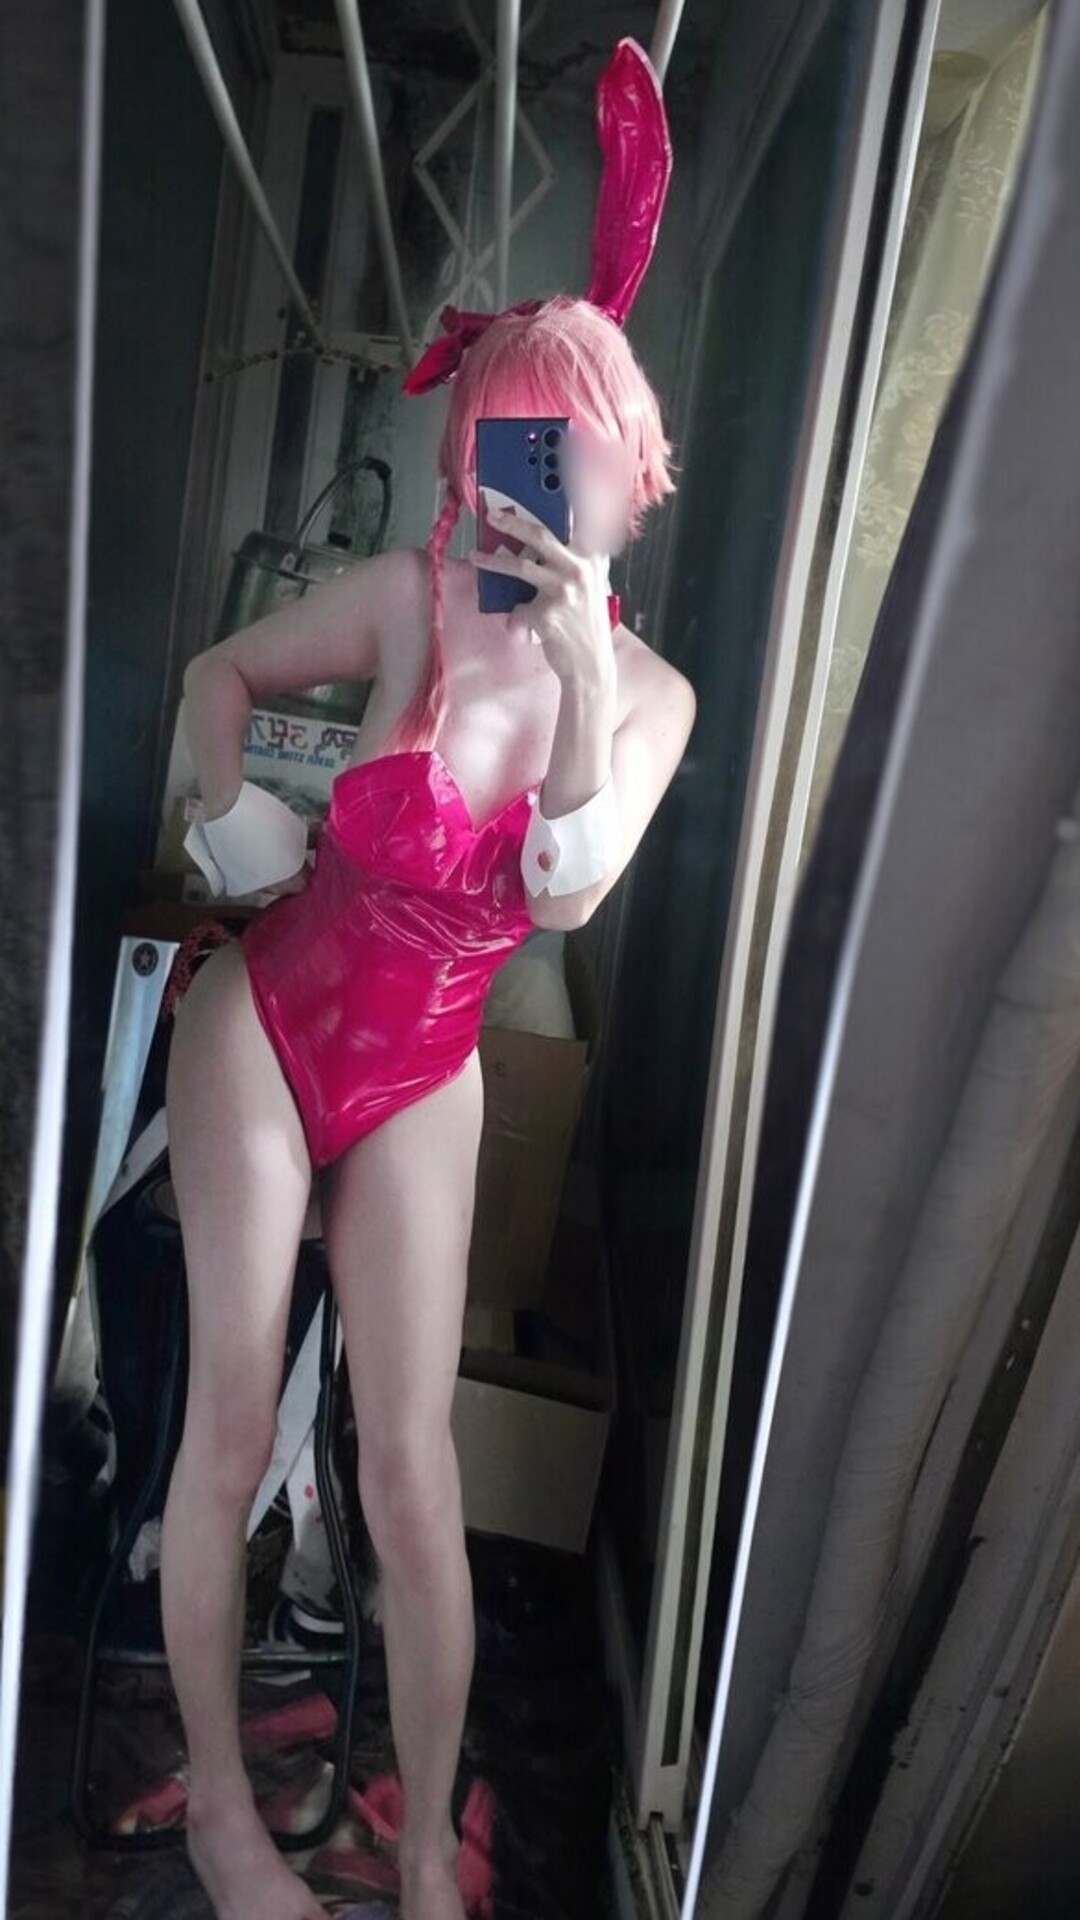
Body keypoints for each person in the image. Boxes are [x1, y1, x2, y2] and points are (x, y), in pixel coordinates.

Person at [160, 39, 695, 1920]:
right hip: (272, 1019)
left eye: (563, 453)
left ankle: (416, 1844)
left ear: (627, 469)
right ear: (474, 448)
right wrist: (231, 830)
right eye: (502, 444)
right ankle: (224, 1819)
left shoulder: (651, 700)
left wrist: (574, 679)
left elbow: (565, 899)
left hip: (429, 1064)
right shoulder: (405, 595)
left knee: (409, 1472)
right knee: (233, 1426)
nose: (525, 484)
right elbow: (218, 675)